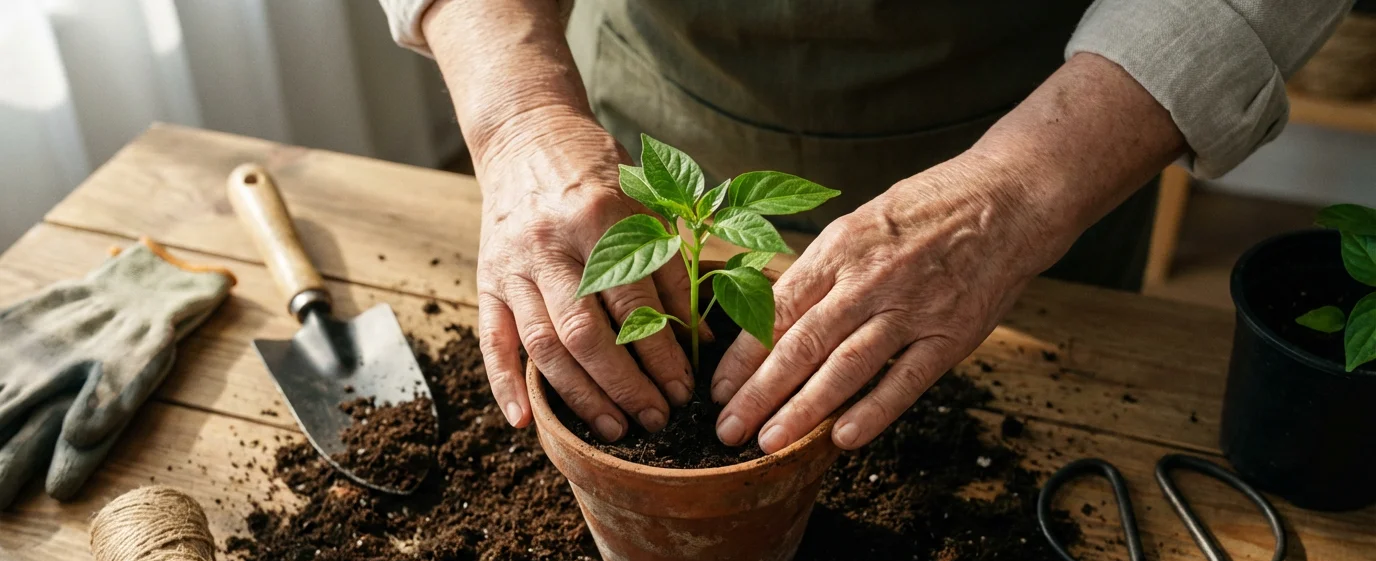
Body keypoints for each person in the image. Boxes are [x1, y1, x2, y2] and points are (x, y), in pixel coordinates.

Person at [381, 0, 1349, 454]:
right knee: (643, 302)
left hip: (1049, 120)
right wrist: (520, 117)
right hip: (658, 90)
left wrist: (1010, 197)